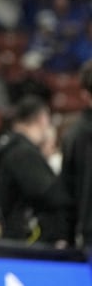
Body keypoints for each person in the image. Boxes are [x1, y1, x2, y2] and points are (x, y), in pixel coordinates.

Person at [0, 95, 72, 245]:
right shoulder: (23, 153)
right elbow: (50, 194)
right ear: (42, 119)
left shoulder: (10, 147)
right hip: (25, 241)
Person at [60, 59, 92, 249]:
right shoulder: (75, 136)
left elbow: (66, 191)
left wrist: (66, 236)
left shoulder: (73, 135)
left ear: (85, 94)